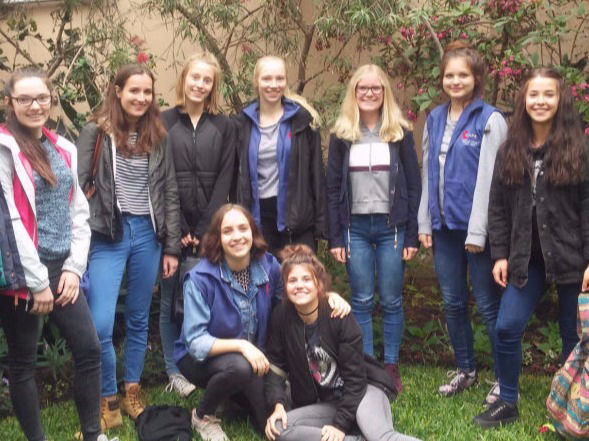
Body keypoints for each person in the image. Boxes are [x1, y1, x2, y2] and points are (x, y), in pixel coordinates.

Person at [174, 204, 350, 441]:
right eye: (228, 231)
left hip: (257, 360)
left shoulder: (269, 266)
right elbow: (195, 342)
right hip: (201, 360)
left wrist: (326, 297)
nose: (237, 236)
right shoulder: (200, 278)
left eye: (242, 228)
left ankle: (232, 396)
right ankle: (202, 415)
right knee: (239, 367)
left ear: (253, 232)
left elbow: (292, 300)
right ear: (218, 238)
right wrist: (242, 346)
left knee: (272, 422)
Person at [473, 67, 589, 427]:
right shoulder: (510, 149)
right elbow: (497, 206)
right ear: (524, 100)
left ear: (560, 99)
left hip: (572, 257)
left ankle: (568, 406)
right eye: (534, 94)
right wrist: (500, 254)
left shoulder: (580, 149)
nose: (540, 101)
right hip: (526, 258)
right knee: (507, 327)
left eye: (548, 94)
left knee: (573, 335)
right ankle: (507, 401)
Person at [0, 67, 105, 441]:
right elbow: (10, 219)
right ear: (9, 102)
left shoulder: (63, 147)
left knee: (89, 350)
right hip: (22, 272)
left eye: (41, 98)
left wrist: (74, 268)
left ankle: (93, 434)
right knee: (24, 362)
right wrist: (37, 283)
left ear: (51, 100)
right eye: (25, 99)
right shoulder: (4, 148)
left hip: (62, 266)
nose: (35, 106)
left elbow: (77, 209)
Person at [77, 64, 181, 428]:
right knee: (100, 323)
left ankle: (131, 391)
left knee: (139, 317)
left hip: (148, 235)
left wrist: (171, 247)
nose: (141, 97)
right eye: (133, 90)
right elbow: (80, 184)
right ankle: (107, 397)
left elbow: (169, 192)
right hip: (109, 234)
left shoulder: (158, 136)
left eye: (147, 92)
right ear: (117, 91)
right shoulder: (96, 132)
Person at [417, 41, 507, 401]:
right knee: (453, 303)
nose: (455, 81)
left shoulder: (490, 120)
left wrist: (478, 231)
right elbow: (428, 171)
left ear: (476, 78)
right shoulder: (435, 118)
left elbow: (492, 180)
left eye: (463, 75)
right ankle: (466, 370)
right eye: (449, 75)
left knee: (487, 304)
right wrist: (425, 222)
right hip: (444, 229)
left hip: (477, 232)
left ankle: (503, 377)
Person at [326, 63, 421, 393]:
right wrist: (335, 237)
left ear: (385, 92)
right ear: (354, 92)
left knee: (392, 300)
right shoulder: (342, 135)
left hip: (392, 227)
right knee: (362, 299)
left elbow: (414, 184)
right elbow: (332, 188)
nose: (369, 93)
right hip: (355, 228)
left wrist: (412, 235)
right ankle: (367, 365)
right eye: (362, 88)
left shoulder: (399, 133)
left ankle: (391, 365)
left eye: (375, 88)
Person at [264, 244, 422, 441]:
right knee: (279, 428)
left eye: (306, 279)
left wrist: (340, 425)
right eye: (292, 280)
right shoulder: (281, 316)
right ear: (285, 287)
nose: (299, 285)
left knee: (381, 437)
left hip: (363, 391)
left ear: (319, 284)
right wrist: (278, 404)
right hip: (328, 404)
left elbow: (356, 380)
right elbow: (275, 367)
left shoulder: (339, 315)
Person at [159, 51, 236, 396]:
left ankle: (202, 365)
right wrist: (178, 229)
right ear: (184, 79)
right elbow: (161, 178)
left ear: (213, 86)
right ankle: (174, 371)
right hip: (172, 227)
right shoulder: (162, 121)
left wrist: (205, 229)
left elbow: (225, 179)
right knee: (169, 299)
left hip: (210, 230)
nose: (200, 84)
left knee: (206, 298)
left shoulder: (224, 126)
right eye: (195, 77)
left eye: (207, 80)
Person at [234, 55, 327, 255]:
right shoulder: (242, 123)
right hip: (257, 219)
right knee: (263, 275)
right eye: (267, 78)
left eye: (279, 78)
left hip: (297, 219)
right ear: (256, 81)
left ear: (286, 81)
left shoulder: (303, 120)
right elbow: (235, 177)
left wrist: (322, 224)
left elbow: (317, 175)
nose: (274, 85)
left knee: (299, 275)